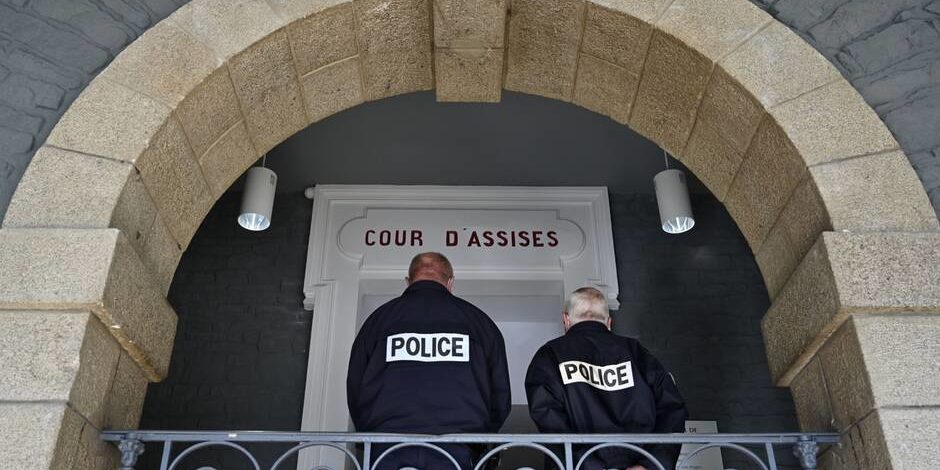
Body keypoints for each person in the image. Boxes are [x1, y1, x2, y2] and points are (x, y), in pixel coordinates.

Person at [347, 252, 512, 470]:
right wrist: (479, 438)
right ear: (451, 282)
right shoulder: (479, 323)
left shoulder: (379, 321)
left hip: (388, 449)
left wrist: (370, 435)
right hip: (457, 451)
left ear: (408, 281)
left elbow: (356, 387)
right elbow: (499, 396)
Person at [525, 287, 688, 470]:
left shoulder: (550, 355)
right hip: (637, 461)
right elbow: (672, 408)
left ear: (566, 319)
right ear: (609, 322)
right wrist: (649, 465)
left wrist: (589, 465)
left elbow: (548, 418)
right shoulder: (636, 353)